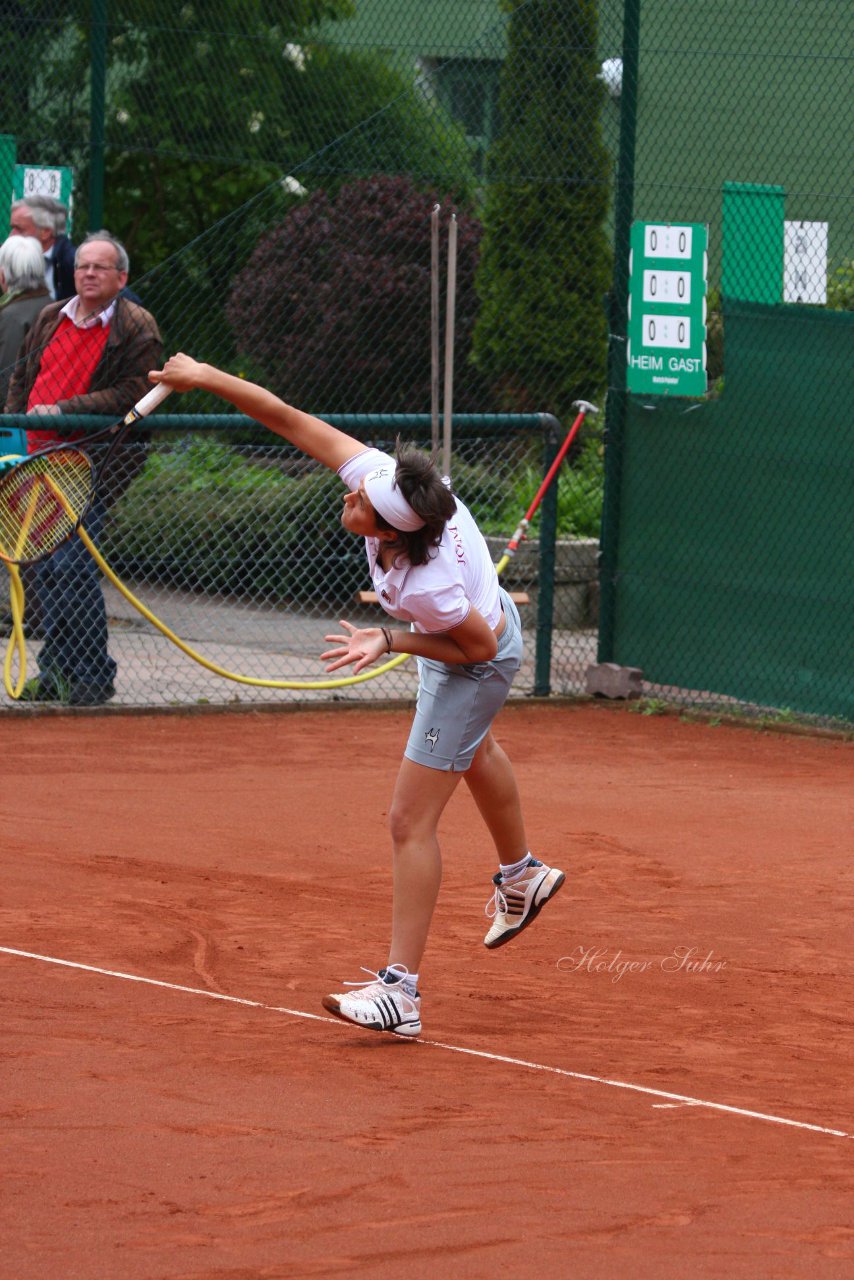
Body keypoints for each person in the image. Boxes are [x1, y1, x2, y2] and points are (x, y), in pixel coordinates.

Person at [151, 353, 565, 1038]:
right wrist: (204, 376)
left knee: (408, 821)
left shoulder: (430, 583)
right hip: (475, 632)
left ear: (390, 531)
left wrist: (390, 640)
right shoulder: (382, 479)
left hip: (478, 655)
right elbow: (286, 418)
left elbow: (481, 652)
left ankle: (401, 994)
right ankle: (521, 875)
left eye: (361, 507)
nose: (350, 497)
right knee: (474, 747)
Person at [4, 230, 163, 706]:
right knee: (47, 569)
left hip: (90, 463)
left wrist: (65, 408)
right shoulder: (53, 315)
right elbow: (22, 374)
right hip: (36, 460)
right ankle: (57, 672)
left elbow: (133, 392)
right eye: (82, 267)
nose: (88, 274)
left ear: (121, 277)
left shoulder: (137, 325)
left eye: (98, 267)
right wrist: (16, 421)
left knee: (71, 567)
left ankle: (93, 674)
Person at [0, 234, 50, 402]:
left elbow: (6, 377)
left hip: (14, 418)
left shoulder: (11, 316)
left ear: (3, 275)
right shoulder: (52, 305)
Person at [10, 195, 77, 302]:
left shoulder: (73, 264)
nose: (11, 236)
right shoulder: (9, 258)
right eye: (12, 228)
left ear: (45, 232)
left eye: (19, 229)